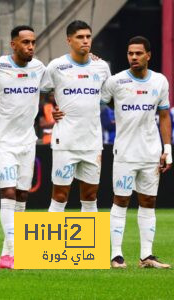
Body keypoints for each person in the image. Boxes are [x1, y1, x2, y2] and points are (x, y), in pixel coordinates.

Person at [57, 36, 172, 269]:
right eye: (130, 53)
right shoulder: (116, 82)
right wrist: (62, 109)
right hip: (124, 153)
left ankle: (146, 256)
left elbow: (163, 116)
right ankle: (116, 255)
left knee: (148, 201)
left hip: (151, 152)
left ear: (148, 55)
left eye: (139, 53)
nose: (134, 57)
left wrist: (167, 149)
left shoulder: (160, 81)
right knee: (120, 200)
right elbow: (91, 101)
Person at [0, 25, 46, 269]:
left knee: (22, 194)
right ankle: (12, 252)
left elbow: (59, 83)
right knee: (7, 192)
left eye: (33, 42)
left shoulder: (39, 68)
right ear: (13, 44)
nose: (30, 47)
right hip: (3, 140)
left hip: (28, 140)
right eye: (26, 42)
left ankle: (10, 252)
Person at [41, 21, 111, 214]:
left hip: (92, 142)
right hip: (65, 141)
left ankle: (87, 245)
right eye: (80, 37)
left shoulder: (102, 67)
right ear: (69, 40)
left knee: (90, 197)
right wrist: (51, 109)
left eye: (88, 36)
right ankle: (51, 244)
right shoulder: (56, 66)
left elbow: (107, 98)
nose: (85, 41)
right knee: (60, 196)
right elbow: (41, 92)